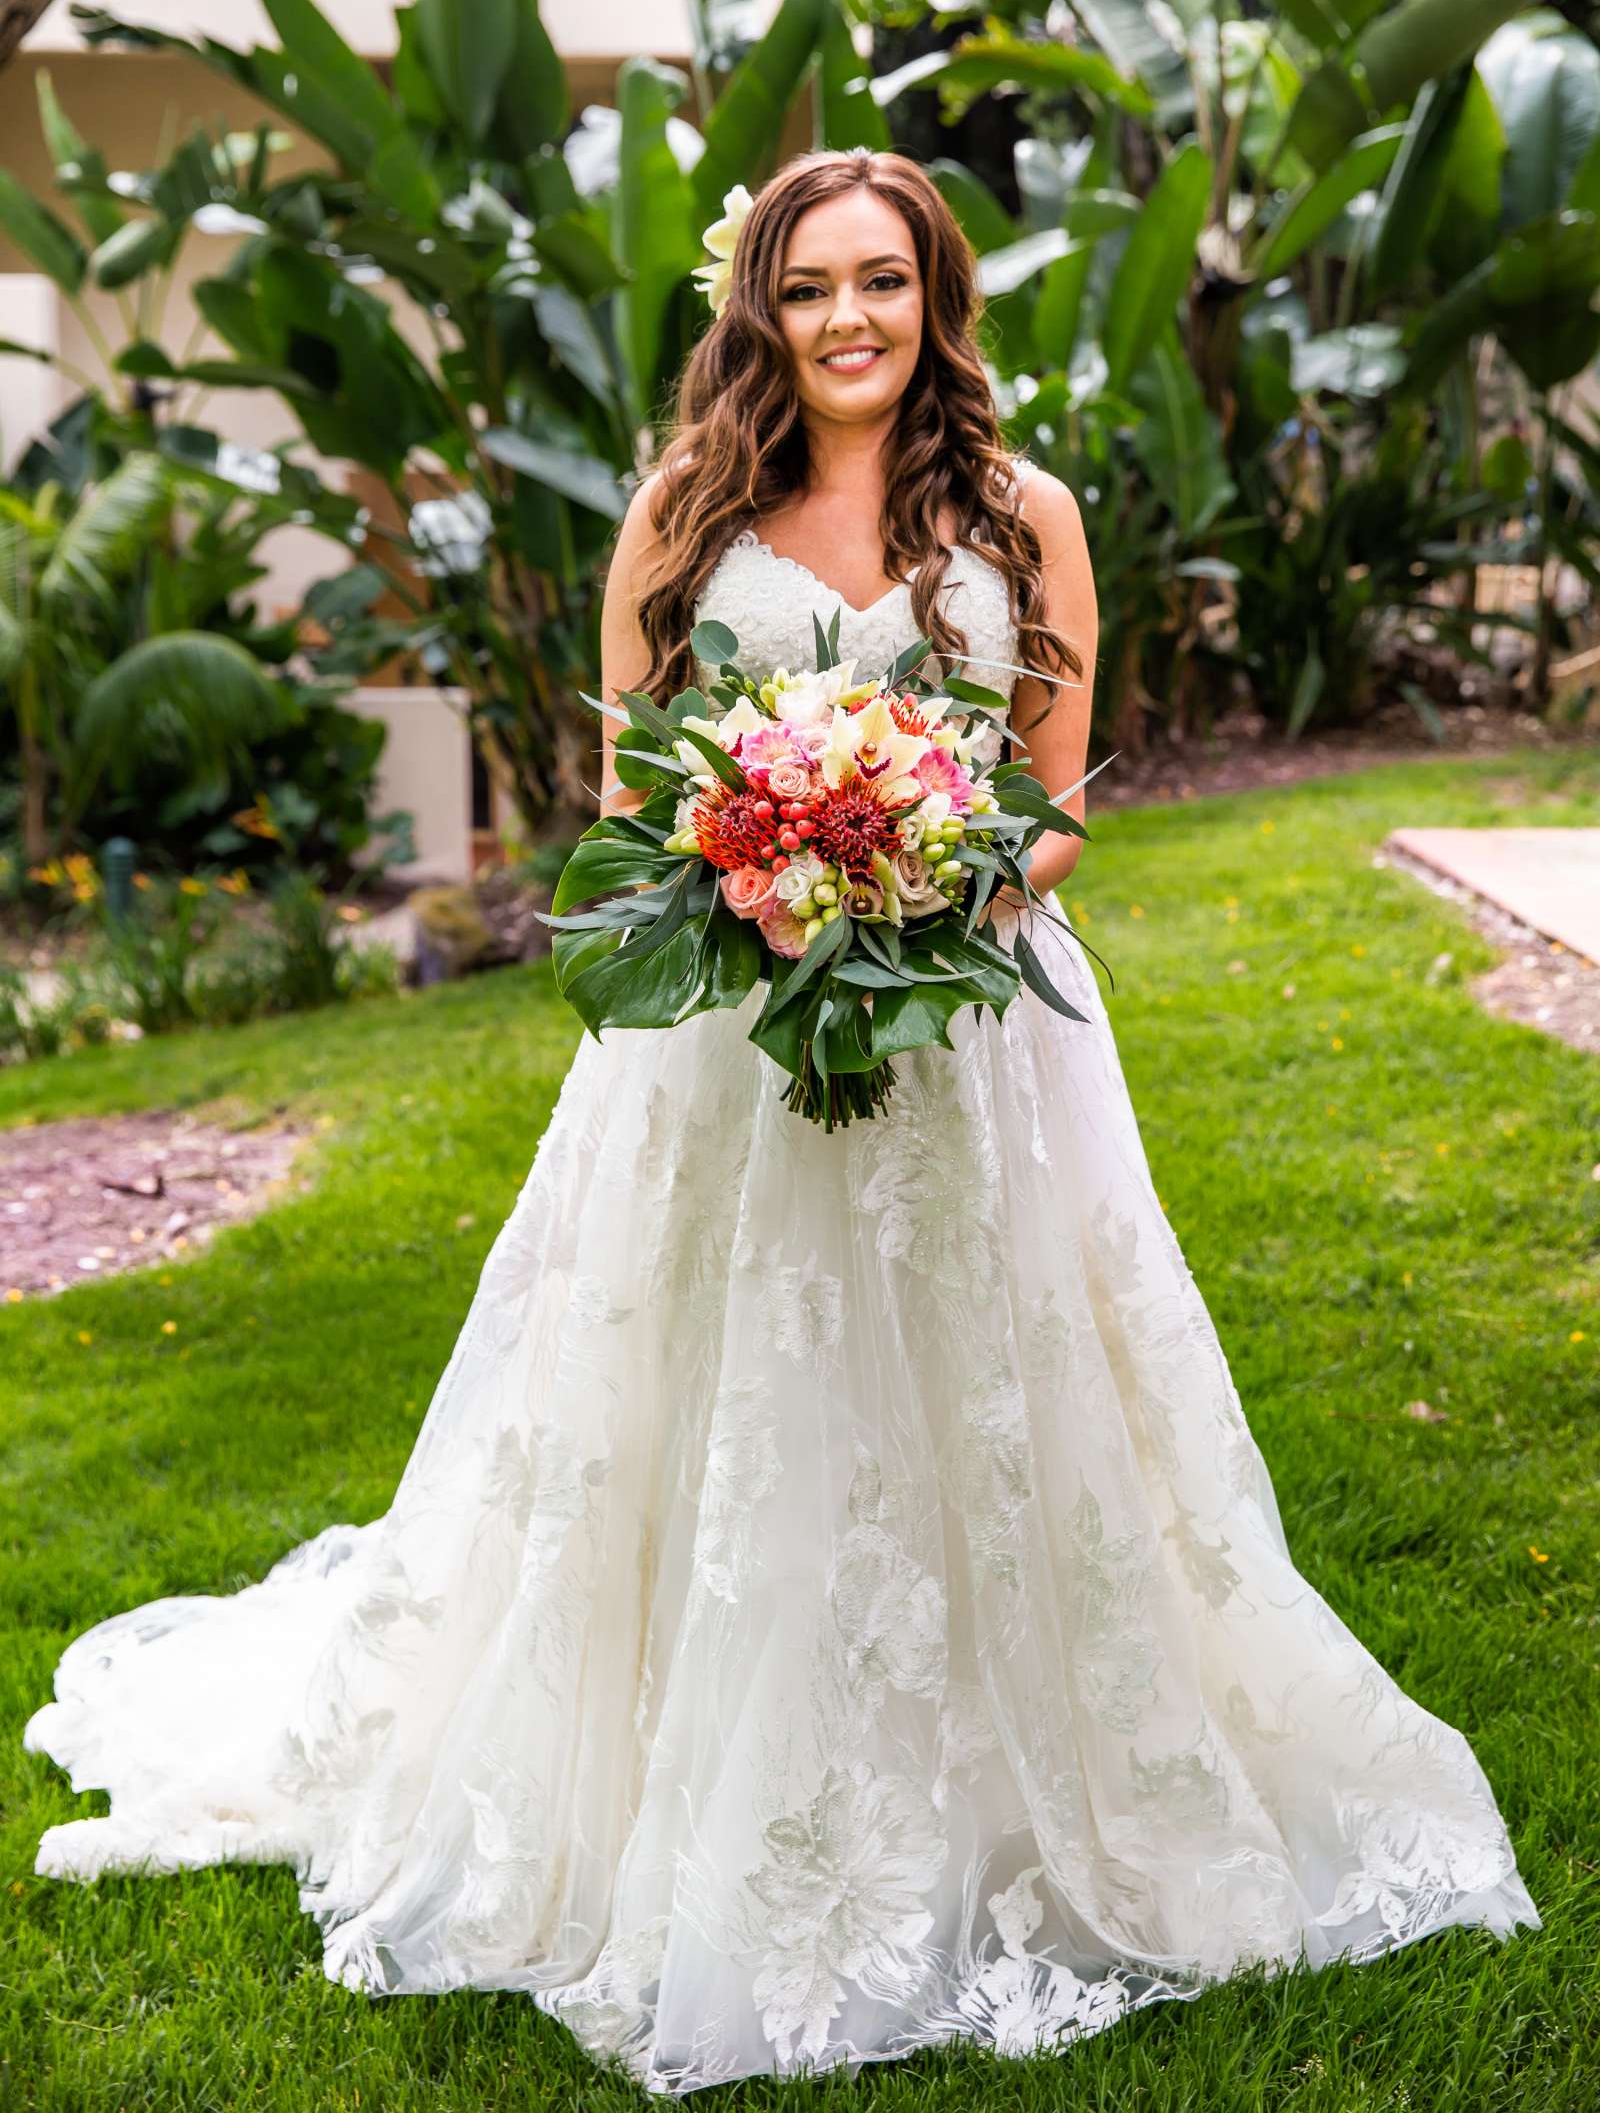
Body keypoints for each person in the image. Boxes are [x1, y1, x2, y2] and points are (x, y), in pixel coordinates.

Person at [25, 147, 1537, 2095]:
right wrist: (753, 869)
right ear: (760, 304)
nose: (847, 321)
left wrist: (936, 879)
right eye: (809, 286)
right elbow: (624, 800)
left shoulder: (1024, 517)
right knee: (693, 1408)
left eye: (882, 285)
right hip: (717, 1045)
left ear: (935, 303)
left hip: (969, 1035)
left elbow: (1060, 798)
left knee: (994, 1415)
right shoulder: (681, 510)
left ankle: (1005, 1787)